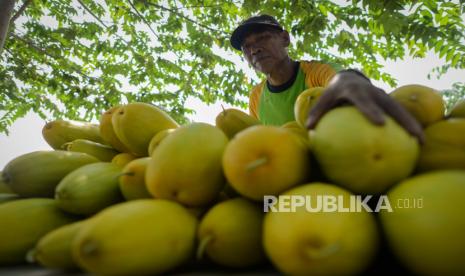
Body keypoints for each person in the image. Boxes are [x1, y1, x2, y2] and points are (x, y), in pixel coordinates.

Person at [230, 14, 423, 142]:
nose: (254, 49)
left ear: (285, 39)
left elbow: (340, 80)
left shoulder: (316, 72)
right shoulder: (256, 97)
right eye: (246, 47)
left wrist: (351, 79)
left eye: (262, 38)